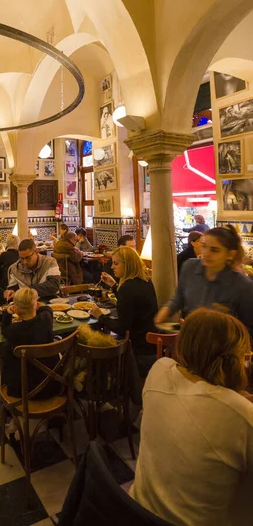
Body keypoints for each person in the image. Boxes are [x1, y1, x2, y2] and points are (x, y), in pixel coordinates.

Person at [131, 308, 253, 526]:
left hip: (137, 511)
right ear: (234, 360)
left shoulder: (159, 370)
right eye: (245, 358)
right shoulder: (241, 416)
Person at [155, 225, 253, 334]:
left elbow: (249, 328)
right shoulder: (189, 267)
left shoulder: (242, 285)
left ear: (230, 254)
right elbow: (179, 297)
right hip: (191, 342)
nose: (206, 253)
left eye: (214, 250)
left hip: (223, 348)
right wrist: (167, 310)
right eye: (204, 246)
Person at [90, 246, 158, 376]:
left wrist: (100, 316)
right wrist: (114, 286)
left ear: (128, 265)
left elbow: (120, 328)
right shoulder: (145, 280)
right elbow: (132, 304)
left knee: (94, 350)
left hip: (137, 353)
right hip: (151, 347)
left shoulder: (127, 288)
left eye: (116, 263)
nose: (112, 267)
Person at [0, 287, 59, 398]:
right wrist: (34, 305)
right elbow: (47, 308)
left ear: (16, 311)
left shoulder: (14, 330)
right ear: (36, 305)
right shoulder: (46, 318)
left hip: (24, 389)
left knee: (5, 351)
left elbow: (4, 329)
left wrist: (7, 313)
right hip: (51, 384)